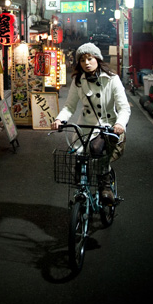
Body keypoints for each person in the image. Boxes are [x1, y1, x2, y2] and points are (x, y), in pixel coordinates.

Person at [52, 43, 131, 204]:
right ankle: (82, 188)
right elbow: (69, 106)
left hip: (107, 126)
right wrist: (60, 119)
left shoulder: (112, 79)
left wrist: (120, 124)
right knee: (79, 155)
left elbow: (124, 108)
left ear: (97, 59)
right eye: (82, 60)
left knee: (97, 150)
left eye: (90, 58)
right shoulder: (78, 81)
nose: (86, 63)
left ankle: (105, 186)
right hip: (85, 126)